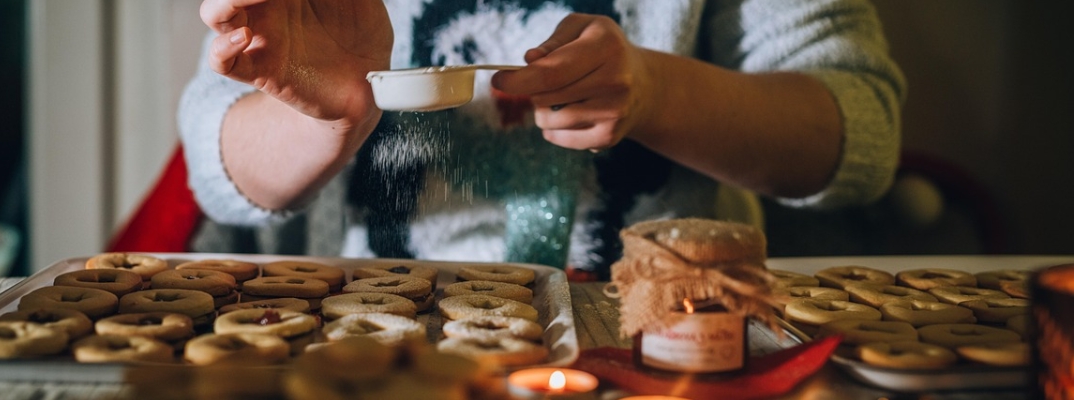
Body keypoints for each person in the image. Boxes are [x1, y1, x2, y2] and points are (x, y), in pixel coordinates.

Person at [178, 0, 905, 279]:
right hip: (383, 358)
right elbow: (220, 166)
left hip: (671, 350)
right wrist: (329, 117)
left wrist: (658, 93)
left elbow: (858, 138)